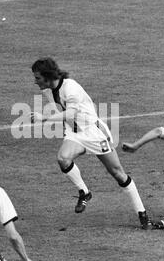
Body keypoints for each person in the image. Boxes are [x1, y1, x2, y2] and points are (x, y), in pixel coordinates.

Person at [29, 57, 152, 229]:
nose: (35, 82)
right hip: (75, 133)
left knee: (118, 173)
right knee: (63, 158)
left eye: (37, 78)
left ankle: (142, 213)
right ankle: (84, 192)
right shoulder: (49, 89)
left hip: (94, 133)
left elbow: (71, 113)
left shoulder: (70, 88)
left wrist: (45, 118)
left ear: (48, 76)